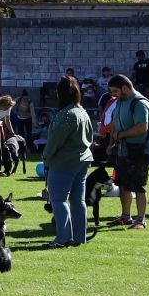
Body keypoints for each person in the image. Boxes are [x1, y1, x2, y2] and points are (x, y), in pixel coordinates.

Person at [43, 74, 93, 248]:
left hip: (64, 162)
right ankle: (80, 237)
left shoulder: (67, 114)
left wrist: (46, 157)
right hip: (82, 160)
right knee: (78, 200)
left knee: (58, 200)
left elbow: (55, 140)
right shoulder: (82, 112)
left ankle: (63, 238)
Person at [105, 74, 149, 230]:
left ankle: (141, 220)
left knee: (140, 186)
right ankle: (125, 217)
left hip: (139, 151)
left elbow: (141, 127)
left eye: (115, 91)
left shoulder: (140, 103)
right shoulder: (120, 102)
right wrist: (111, 143)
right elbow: (115, 124)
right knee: (123, 185)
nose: (113, 94)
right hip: (123, 151)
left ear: (125, 88)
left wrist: (120, 135)